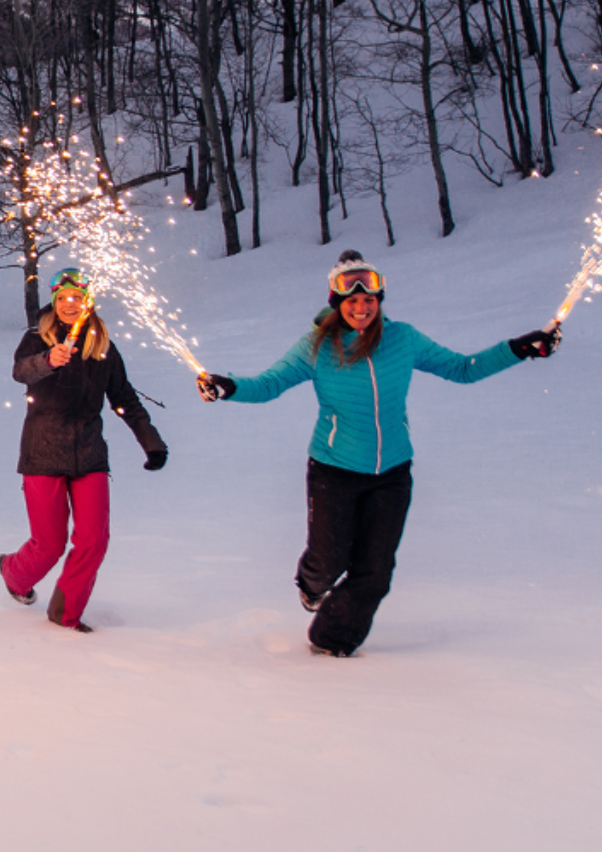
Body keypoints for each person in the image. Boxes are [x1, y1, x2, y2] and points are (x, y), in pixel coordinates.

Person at [196, 250, 560, 657]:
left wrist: (519, 348)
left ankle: (332, 642)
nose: (362, 307)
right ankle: (312, 585)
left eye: (369, 299)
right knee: (328, 559)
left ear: (379, 300)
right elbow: (270, 384)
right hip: (334, 469)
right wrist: (229, 387)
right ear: (337, 304)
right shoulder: (317, 346)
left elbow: (463, 369)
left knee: (375, 571)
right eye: (352, 300)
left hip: (392, 472)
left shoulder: (402, 338)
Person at [0, 268, 167, 633]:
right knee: (49, 544)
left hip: (89, 454)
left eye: (76, 298)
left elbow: (125, 399)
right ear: (54, 302)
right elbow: (20, 373)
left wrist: (151, 442)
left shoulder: (102, 346)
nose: (69, 305)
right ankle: (13, 573)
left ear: (87, 301)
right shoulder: (36, 339)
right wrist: (47, 361)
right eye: (62, 299)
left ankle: (65, 613)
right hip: (42, 453)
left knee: (93, 540)